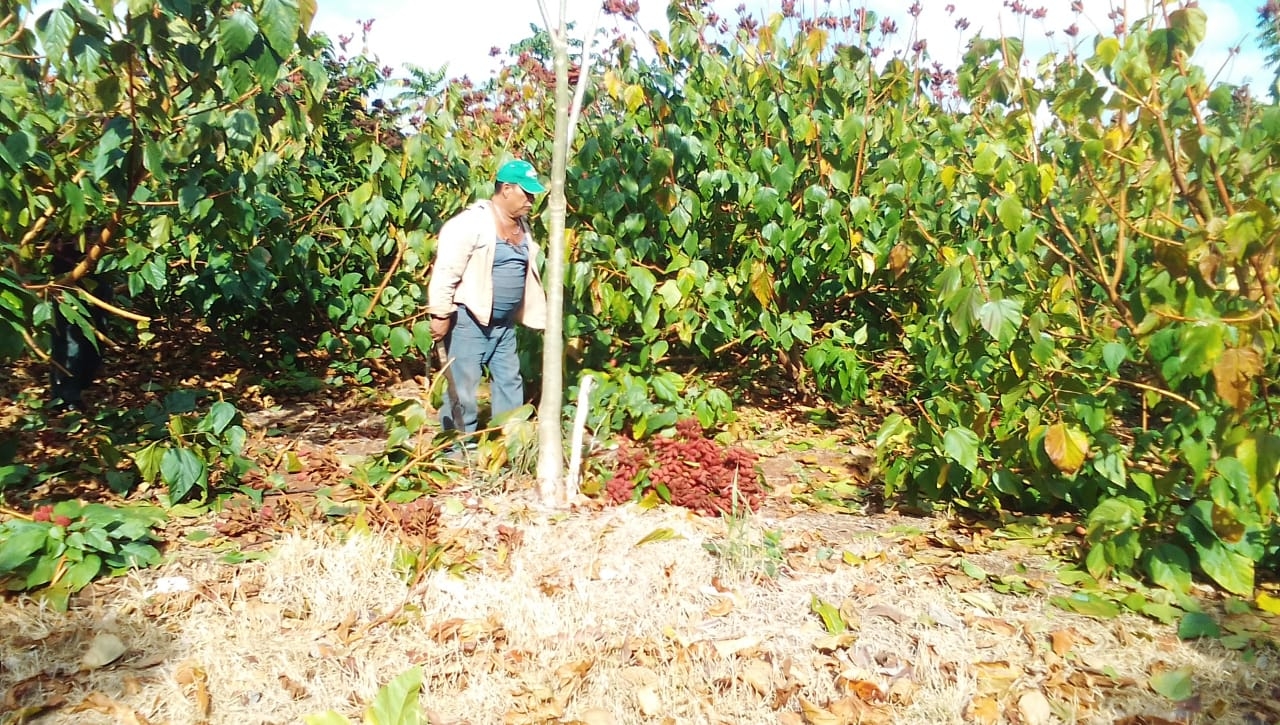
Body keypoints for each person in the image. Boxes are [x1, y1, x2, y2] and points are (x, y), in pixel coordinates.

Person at [426, 159, 548, 436]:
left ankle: (509, 444)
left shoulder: (522, 227)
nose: (531, 200)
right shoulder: (471, 224)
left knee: (509, 383)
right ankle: (455, 449)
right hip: (470, 321)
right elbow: (447, 270)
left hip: (504, 325)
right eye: (526, 194)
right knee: (464, 387)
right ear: (506, 189)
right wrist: (441, 314)